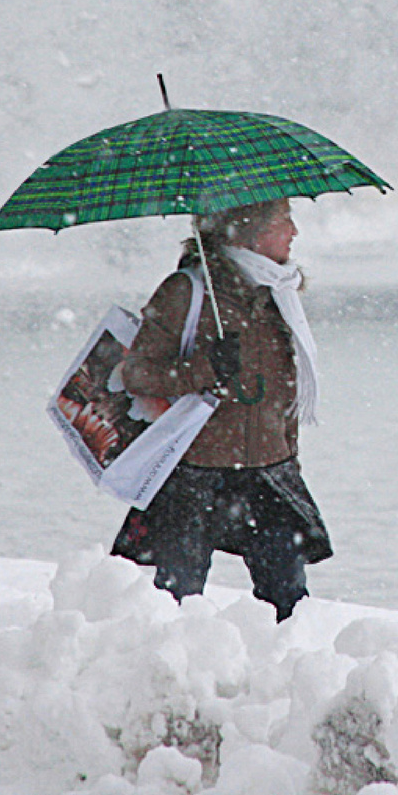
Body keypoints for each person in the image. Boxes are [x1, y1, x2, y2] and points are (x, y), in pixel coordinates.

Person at [109, 198, 332, 620]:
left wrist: (290, 459)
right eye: (285, 220)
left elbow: (285, 391)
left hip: (268, 472)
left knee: (289, 603)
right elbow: (136, 373)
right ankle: (172, 678)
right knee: (175, 603)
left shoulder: (278, 295)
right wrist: (203, 369)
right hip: (194, 474)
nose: (294, 232)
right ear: (253, 232)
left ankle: (280, 677)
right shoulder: (187, 292)